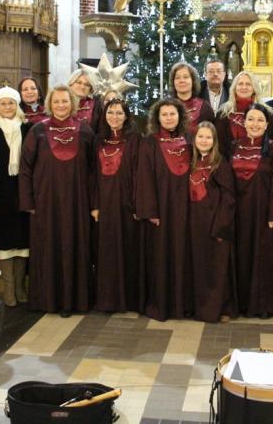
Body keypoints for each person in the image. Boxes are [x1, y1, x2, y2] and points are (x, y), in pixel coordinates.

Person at [19, 85, 94, 316]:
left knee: (74, 246)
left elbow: (93, 171)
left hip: (77, 203)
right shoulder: (37, 131)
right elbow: (25, 169)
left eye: (65, 101)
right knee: (48, 248)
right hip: (45, 203)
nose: (61, 105)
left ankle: (74, 301)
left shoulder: (85, 131)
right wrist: (28, 202)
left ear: (72, 103)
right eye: (56, 101)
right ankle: (48, 300)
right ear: (50, 104)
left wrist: (94, 204)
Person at [231, 103, 273, 318]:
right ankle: (240, 303)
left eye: (260, 120)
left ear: (267, 124)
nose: (254, 123)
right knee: (239, 258)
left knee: (263, 259)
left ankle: (263, 305)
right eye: (250, 119)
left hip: (264, 215)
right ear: (243, 122)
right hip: (237, 215)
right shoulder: (233, 146)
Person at [136, 98, 192, 321]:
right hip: (161, 209)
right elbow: (144, 178)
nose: (169, 118)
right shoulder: (149, 142)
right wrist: (151, 211)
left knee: (185, 255)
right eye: (164, 114)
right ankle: (163, 304)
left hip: (187, 207)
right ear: (157, 118)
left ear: (180, 116)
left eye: (173, 114)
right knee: (162, 256)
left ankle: (184, 304)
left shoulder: (190, 139)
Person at [0, 87, 32, 307]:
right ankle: (8, 287)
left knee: (22, 240)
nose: (7, 107)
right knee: (4, 240)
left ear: (17, 105)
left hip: (22, 192)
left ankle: (20, 285)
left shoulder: (29, 128)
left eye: (11, 103)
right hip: (0, 193)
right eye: (3, 103)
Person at [92, 99, 144, 313]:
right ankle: (107, 300)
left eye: (119, 113)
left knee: (128, 250)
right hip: (104, 204)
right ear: (104, 116)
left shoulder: (135, 139)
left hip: (127, 204)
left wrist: (136, 205)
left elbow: (139, 173)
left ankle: (129, 300)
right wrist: (94, 205)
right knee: (106, 252)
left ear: (126, 116)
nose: (115, 117)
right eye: (110, 113)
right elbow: (91, 175)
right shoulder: (97, 140)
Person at [189, 121, 236, 322]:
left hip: (214, 224)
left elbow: (229, 197)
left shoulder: (221, 163)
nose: (204, 140)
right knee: (197, 267)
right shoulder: (189, 162)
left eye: (208, 137)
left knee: (216, 269)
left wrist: (220, 226)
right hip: (193, 224)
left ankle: (217, 310)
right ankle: (196, 308)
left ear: (214, 141)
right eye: (200, 136)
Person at [215, 71, 272, 155]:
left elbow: (271, 142)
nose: (244, 87)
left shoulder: (267, 112)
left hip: (260, 162)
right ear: (234, 88)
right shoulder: (223, 113)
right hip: (229, 161)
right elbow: (219, 144)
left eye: (248, 84)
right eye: (240, 84)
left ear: (254, 88)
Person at [169, 62, 214, 135]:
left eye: (186, 77)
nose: (181, 81)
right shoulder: (165, 107)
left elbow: (212, 136)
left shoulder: (205, 107)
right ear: (173, 82)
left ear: (193, 81)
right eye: (177, 78)